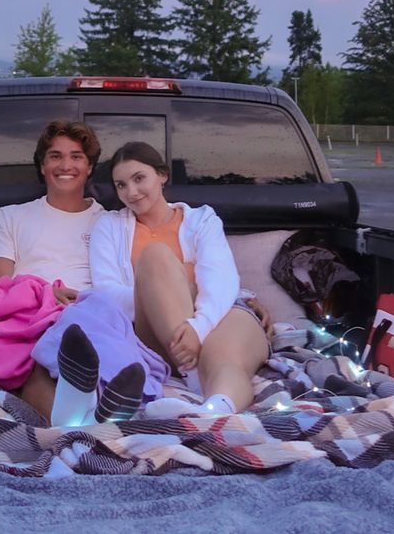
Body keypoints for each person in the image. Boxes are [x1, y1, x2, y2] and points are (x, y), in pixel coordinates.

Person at [89, 141, 270, 416]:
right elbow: (106, 291)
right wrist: (162, 289)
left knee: (221, 356)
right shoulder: (108, 226)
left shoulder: (202, 219)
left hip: (218, 313)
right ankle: (193, 372)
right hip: (154, 333)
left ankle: (214, 410)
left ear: (161, 175)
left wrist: (199, 327)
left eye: (139, 178)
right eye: (121, 185)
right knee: (156, 258)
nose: (131, 192)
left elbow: (220, 278)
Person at [0, 118, 105, 418]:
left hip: (91, 320)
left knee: (95, 343)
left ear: (90, 167)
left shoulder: (109, 223)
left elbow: (121, 287)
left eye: (76, 156)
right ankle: (71, 433)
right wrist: (45, 296)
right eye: (55, 156)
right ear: (42, 166)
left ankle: (91, 421)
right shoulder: (11, 217)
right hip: (29, 323)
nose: (65, 165)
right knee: (37, 356)